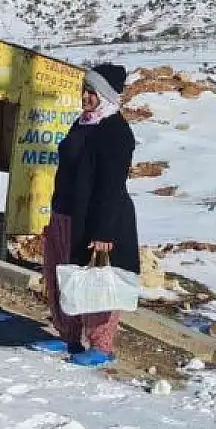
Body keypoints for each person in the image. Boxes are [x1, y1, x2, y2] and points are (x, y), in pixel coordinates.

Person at [30, 63, 139, 367]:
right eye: (84, 90)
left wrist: (104, 231)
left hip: (97, 221)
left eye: (92, 91)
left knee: (98, 281)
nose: (85, 96)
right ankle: (70, 337)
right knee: (64, 278)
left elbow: (111, 185)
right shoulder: (83, 123)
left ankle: (102, 345)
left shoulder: (115, 130)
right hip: (66, 214)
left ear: (105, 94)